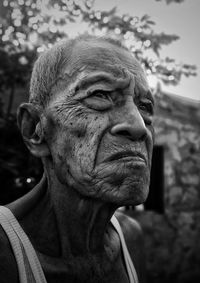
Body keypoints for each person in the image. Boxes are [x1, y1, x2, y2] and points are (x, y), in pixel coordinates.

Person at [0, 35, 154, 283]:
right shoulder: (5, 255)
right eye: (100, 94)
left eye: (145, 106)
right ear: (35, 129)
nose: (139, 127)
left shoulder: (131, 238)